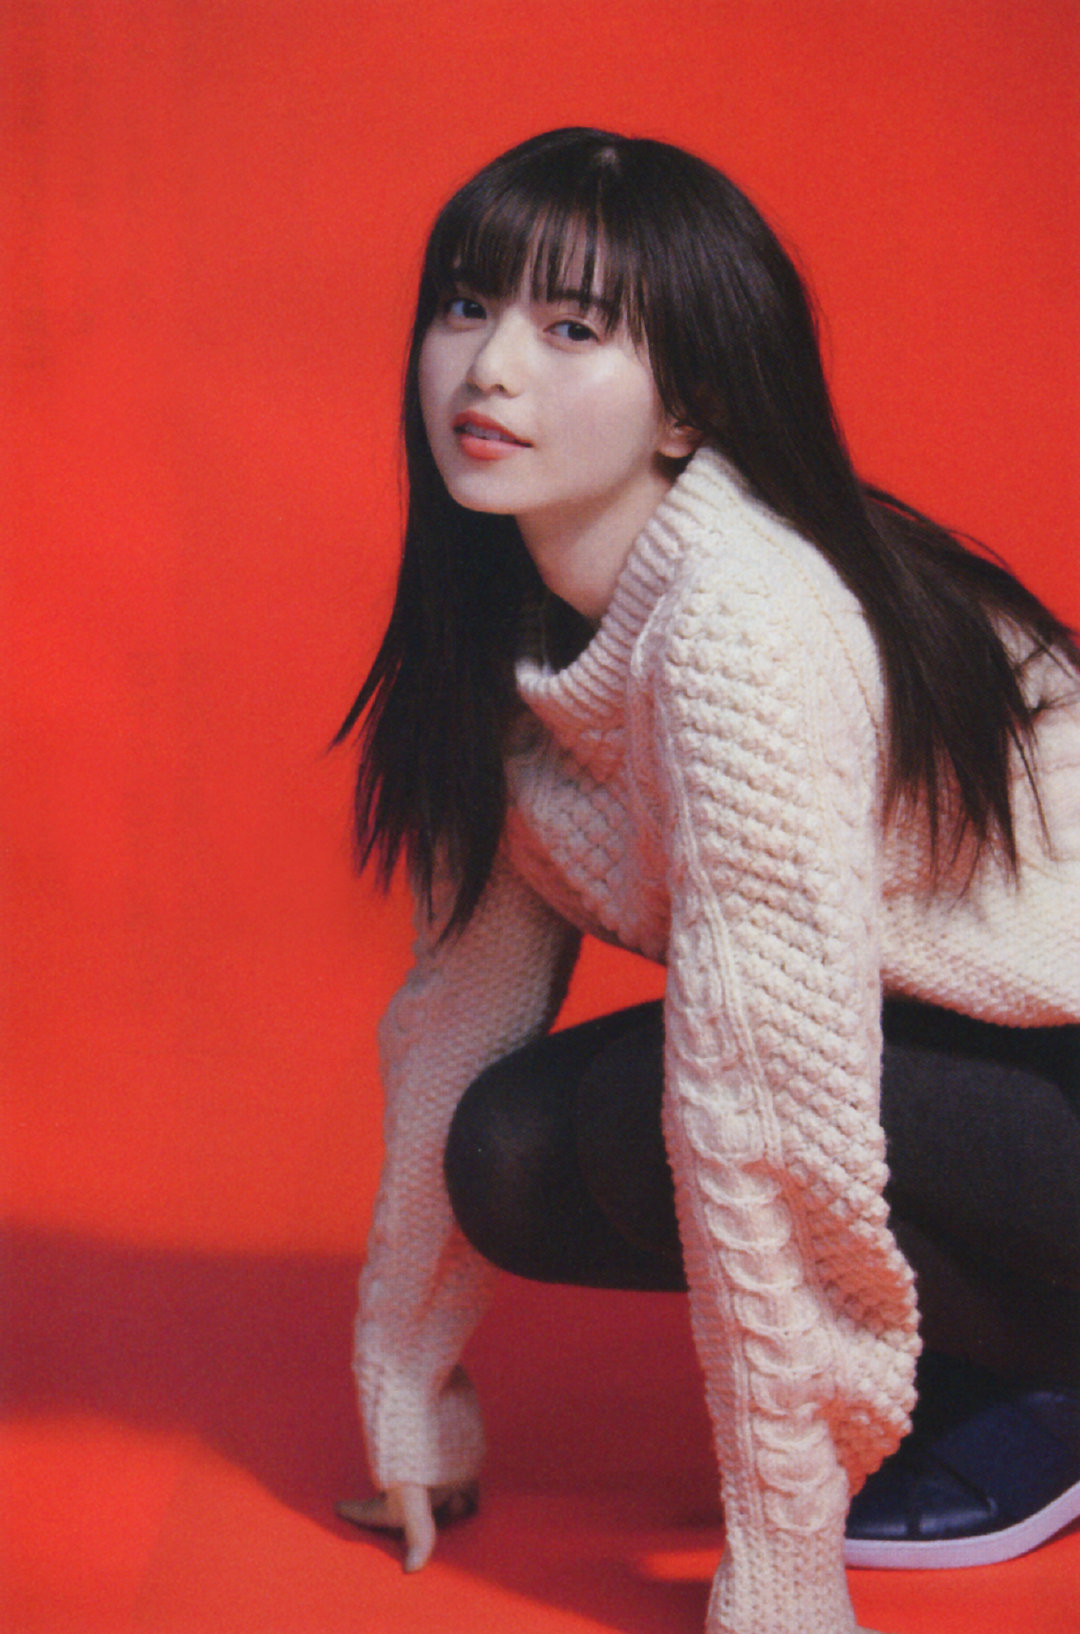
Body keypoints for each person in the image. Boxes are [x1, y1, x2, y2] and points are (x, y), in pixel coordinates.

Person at [334, 129, 1080, 1634]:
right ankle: (1016, 1357)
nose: (491, 369)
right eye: (467, 304)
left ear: (689, 405)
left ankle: (1042, 1373)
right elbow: (455, 1019)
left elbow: (766, 1102)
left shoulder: (743, 623)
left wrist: (784, 1565)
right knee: (515, 1147)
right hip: (980, 1079)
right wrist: (408, 1398)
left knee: (679, 1098)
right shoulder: (509, 634)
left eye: (573, 328)